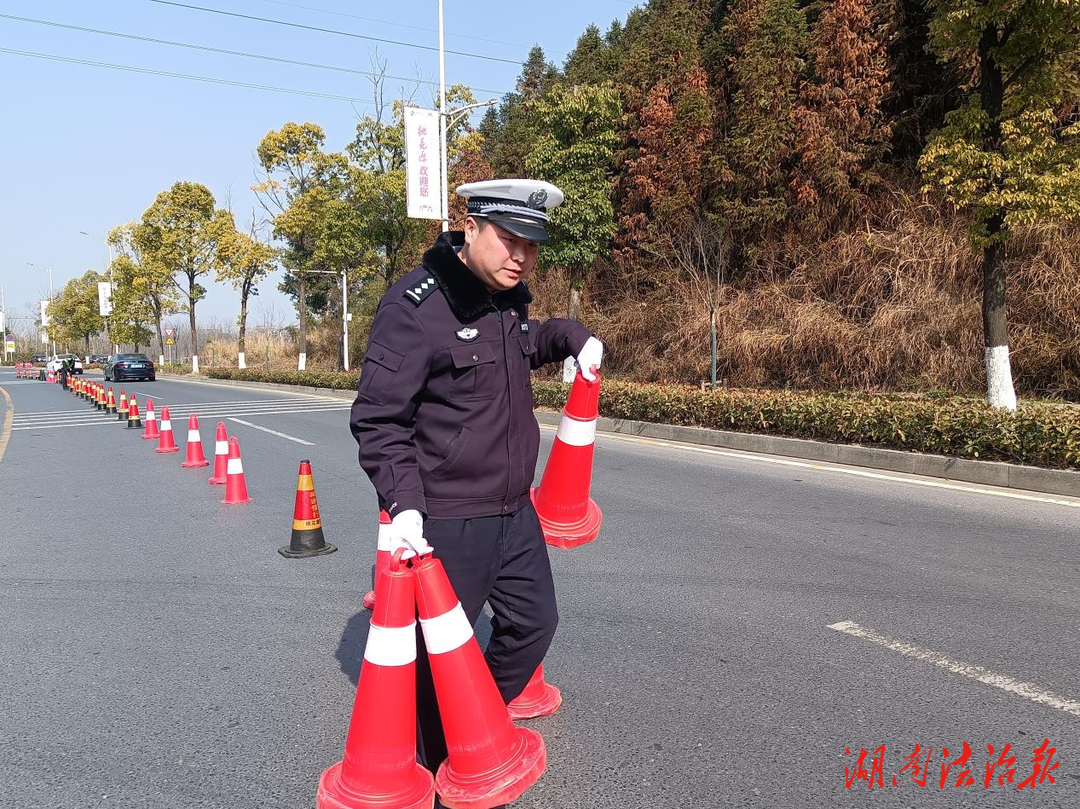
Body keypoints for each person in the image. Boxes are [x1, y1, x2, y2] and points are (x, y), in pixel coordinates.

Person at [350, 178, 604, 787]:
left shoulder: (506, 297)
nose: (521, 256)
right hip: (447, 516)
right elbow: (378, 419)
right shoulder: (414, 309)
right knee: (436, 659)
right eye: (509, 239)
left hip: (514, 513)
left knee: (534, 623)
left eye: (532, 244)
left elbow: (520, 345)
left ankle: (471, 722)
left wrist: (567, 335)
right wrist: (404, 506)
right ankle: (439, 761)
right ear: (471, 228)